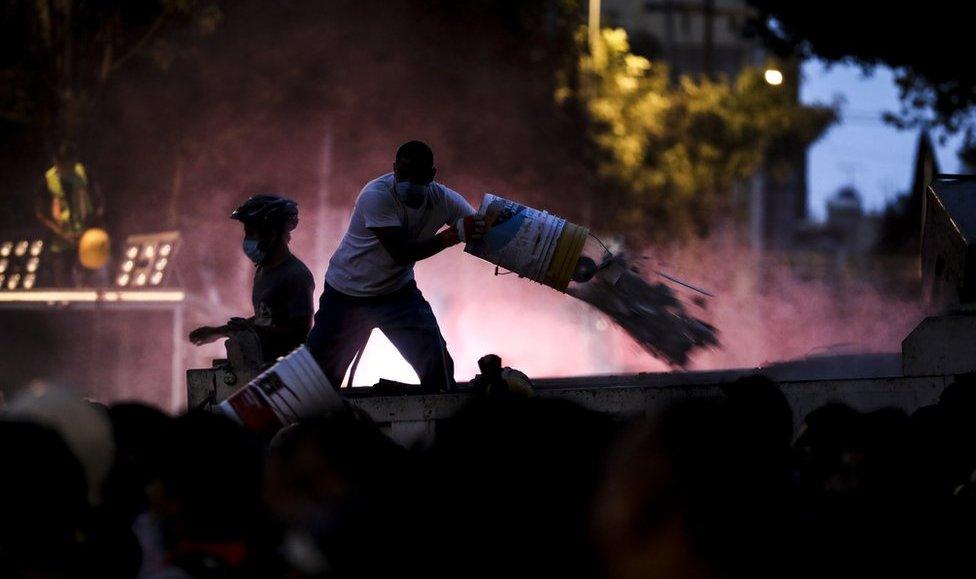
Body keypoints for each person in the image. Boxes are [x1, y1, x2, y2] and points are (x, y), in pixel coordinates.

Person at [306, 140, 486, 392]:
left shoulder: (443, 200)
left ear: (432, 175)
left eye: (418, 174)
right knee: (316, 381)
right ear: (394, 169)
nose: (409, 180)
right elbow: (401, 254)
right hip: (346, 296)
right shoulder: (375, 196)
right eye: (403, 173)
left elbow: (482, 230)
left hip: (397, 295)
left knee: (438, 368)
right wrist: (452, 236)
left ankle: (440, 422)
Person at [189, 195, 315, 365]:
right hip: (262, 368)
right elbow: (266, 318)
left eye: (251, 232)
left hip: (287, 374)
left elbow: (301, 334)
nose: (247, 239)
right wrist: (219, 331)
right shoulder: (263, 271)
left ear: (271, 233)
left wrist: (250, 331)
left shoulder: (296, 275)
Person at [35, 142, 105, 286]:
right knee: (64, 287)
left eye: (69, 166)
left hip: (87, 242)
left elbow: (99, 204)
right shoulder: (48, 180)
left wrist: (88, 230)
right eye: (61, 166)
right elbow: (41, 213)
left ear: (74, 161)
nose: (65, 170)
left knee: (91, 283)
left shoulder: (85, 174)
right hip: (60, 243)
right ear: (55, 162)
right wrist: (62, 234)